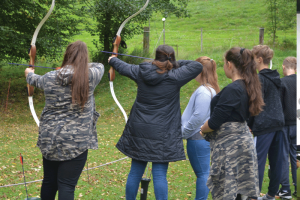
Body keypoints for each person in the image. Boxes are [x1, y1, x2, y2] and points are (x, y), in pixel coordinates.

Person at [108, 45, 203, 200]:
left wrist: (113, 60)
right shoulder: (175, 76)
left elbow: (122, 67)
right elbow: (196, 65)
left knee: (135, 171)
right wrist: (172, 62)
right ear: (171, 58)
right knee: (159, 175)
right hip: (163, 132)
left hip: (140, 128)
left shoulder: (141, 71)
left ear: (156, 57)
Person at [25, 41, 104, 200]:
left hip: (51, 139)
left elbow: (33, 79)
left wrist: (28, 71)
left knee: (49, 182)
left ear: (67, 55)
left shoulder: (49, 78)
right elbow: (100, 65)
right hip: (76, 142)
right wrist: (80, 65)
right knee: (66, 186)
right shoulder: (90, 76)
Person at [200, 47, 264, 200]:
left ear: (229, 64)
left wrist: (203, 129)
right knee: (239, 193)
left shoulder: (234, 89)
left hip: (231, 149)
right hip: (243, 144)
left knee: (229, 192)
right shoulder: (248, 85)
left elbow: (215, 121)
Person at [248, 45, 285, 200]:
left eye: (252, 59)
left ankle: (253, 196)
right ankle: (271, 194)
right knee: (277, 162)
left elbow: (254, 104)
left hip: (264, 125)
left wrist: (249, 123)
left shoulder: (259, 80)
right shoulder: (277, 79)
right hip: (279, 123)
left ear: (260, 59)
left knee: (257, 162)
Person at [181, 56, 220, 200]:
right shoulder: (207, 89)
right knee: (204, 172)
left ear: (200, 71)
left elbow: (198, 117)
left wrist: (183, 133)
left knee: (203, 174)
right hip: (200, 138)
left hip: (198, 139)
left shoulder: (204, 91)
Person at [276, 57, 297, 199]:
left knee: (283, 157)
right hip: (298, 125)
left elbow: (278, 107)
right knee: (296, 156)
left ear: (284, 67)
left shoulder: (281, 83)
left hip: (284, 125)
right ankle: (298, 186)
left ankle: (285, 189)